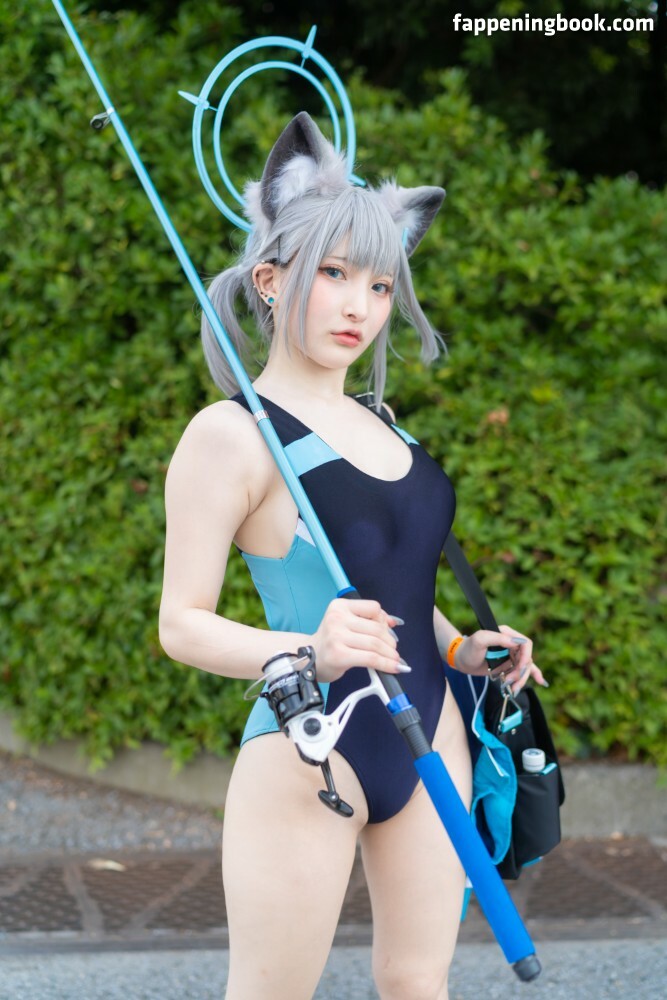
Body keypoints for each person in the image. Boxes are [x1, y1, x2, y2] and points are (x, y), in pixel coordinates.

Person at [159, 112, 547, 1000]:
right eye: (333, 274)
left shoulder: (385, 426)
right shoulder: (230, 436)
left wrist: (461, 648)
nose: (357, 306)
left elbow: (396, 585)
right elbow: (180, 624)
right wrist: (306, 648)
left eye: (378, 284)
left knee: (418, 983)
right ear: (269, 279)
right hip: (310, 747)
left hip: (432, 734)